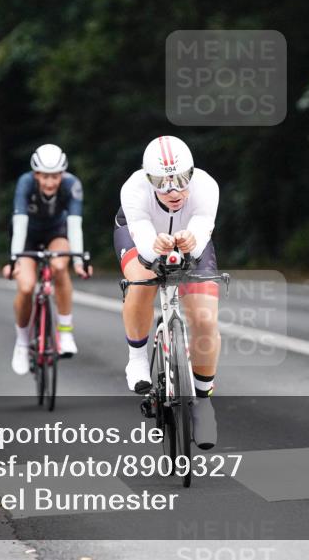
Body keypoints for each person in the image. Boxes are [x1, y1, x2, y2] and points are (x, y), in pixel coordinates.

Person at [114, 135, 220, 450]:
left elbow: (200, 235)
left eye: (181, 180)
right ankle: (136, 358)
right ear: (149, 180)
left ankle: (204, 403)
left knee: (204, 317)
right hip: (141, 236)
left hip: (191, 237)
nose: (173, 191)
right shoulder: (133, 189)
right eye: (162, 182)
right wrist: (155, 246)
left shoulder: (206, 186)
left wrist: (190, 240)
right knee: (141, 280)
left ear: (192, 173)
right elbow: (146, 245)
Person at [4, 144, 92, 374]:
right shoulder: (25, 183)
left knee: (59, 265)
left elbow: (75, 226)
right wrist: (13, 260)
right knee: (26, 287)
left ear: (62, 174)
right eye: (44, 176)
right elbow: (19, 223)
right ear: (36, 174)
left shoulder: (72, 185)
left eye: (55, 176)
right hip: (27, 236)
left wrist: (79, 262)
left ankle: (64, 331)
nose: (50, 182)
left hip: (57, 233)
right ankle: (22, 343)